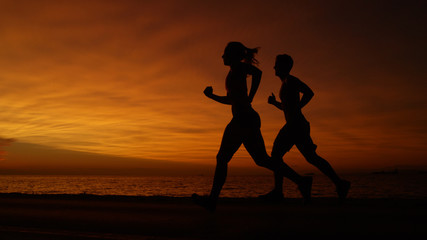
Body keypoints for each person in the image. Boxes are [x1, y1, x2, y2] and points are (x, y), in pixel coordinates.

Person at [192, 42, 312, 212]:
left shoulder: (239, 68)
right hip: (247, 119)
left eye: (225, 53)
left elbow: (258, 73)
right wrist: (212, 96)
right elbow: (231, 100)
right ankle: (301, 181)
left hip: (243, 119)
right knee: (261, 159)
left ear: (233, 55)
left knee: (222, 158)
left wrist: (251, 96)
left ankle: (212, 200)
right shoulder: (233, 72)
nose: (222, 56)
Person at [261, 54, 351, 201]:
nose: (274, 67)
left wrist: (299, 107)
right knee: (311, 157)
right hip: (297, 124)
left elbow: (309, 93)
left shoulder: (291, 80)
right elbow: (287, 108)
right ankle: (340, 183)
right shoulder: (285, 82)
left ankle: (282, 190)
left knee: (276, 155)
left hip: (295, 125)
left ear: (284, 66)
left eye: (276, 64)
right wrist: (275, 103)